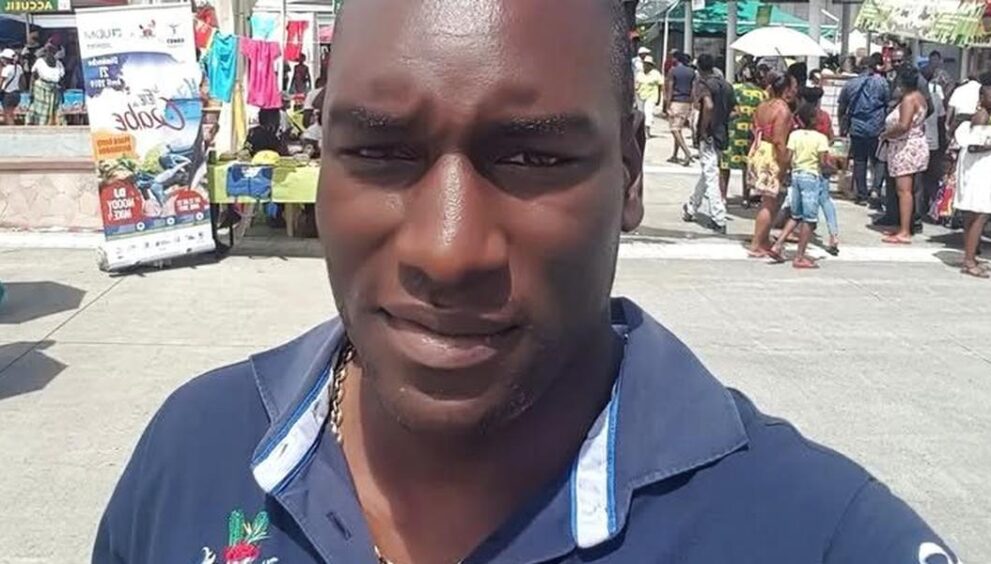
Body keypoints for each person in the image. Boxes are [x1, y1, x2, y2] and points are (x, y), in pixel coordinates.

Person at [92, 1, 957, 562]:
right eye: (381, 151)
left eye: (534, 158)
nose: (447, 251)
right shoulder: (196, 454)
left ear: (627, 174)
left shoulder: (814, 535)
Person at [769, 103, 833, 269]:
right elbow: (823, 162)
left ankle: (778, 244)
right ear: (813, 119)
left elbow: (788, 157)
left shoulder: (795, 135)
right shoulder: (821, 138)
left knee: (796, 215)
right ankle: (800, 256)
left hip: (796, 175)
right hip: (811, 177)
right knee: (809, 219)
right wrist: (832, 167)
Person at [682, 54, 736, 234]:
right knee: (708, 172)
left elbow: (709, 106)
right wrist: (722, 120)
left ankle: (718, 218)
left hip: (709, 136)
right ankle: (692, 206)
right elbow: (735, 111)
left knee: (711, 176)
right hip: (722, 134)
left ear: (699, 68)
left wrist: (704, 130)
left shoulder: (704, 85)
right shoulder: (726, 85)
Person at [748, 73, 797, 258]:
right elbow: (779, 140)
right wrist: (785, 161)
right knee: (769, 203)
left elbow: (754, 128)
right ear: (786, 90)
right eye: (793, 87)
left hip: (759, 150)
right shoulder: (782, 110)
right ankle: (756, 244)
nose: (795, 91)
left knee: (767, 200)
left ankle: (763, 240)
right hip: (771, 156)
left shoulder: (763, 105)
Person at [880, 65, 929, 245]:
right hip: (915, 143)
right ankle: (903, 225)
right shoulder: (920, 97)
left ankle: (905, 231)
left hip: (905, 147)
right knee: (907, 190)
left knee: (904, 191)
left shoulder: (908, 99)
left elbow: (903, 125)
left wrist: (885, 134)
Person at [838, 53, 889, 206]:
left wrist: (842, 125)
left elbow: (842, 107)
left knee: (859, 160)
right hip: (877, 126)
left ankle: (861, 194)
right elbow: (888, 103)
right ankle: (875, 189)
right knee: (877, 160)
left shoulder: (850, 84)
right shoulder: (882, 83)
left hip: (857, 127)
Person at [954, 73, 991, 278]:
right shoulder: (982, 116)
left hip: (979, 168)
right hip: (978, 170)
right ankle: (969, 261)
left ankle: (970, 257)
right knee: (980, 214)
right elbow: (975, 146)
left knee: (973, 214)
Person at [801, 86, 841, 255]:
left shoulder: (801, 116)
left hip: (806, 163)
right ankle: (833, 234)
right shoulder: (824, 116)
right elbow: (831, 137)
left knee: (801, 198)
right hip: (823, 161)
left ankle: (802, 228)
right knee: (825, 199)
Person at [719, 62, 766, 207]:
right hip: (751, 134)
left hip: (732, 131)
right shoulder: (762, 94)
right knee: (747, 165)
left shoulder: (734, 88)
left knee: (725, 165)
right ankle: (745, 198)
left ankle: (722, 197)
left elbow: (725, 107)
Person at [921, 64, 947, 219]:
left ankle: (923, 207)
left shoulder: (916, 97)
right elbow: (941, 120)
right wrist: (943, 142)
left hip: (919, 141)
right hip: (933, 141)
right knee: (932, 177)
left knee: (921, 177)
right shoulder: (936, 97)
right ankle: (933, 207)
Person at [665, 52, 695, 166]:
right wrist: (691, 102)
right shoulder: (692, 72)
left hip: (676, 101)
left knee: (674, 129)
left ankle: (687, 152)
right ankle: (675, 154)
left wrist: (667, 105)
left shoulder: (673, 71)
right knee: (679, 129)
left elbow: (670, 88)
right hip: (686, 102)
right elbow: (693, 88)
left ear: (677, 59)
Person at [26, 45, 64, 126]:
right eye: (49, 52)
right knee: (41, 109)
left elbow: (61, 79)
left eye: (53, 52)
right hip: (41, 88)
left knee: (54, 109)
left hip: (54, 89)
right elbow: (33, 76)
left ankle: (53, 125)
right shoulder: (39, 62)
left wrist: (61, 92)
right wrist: (31, 91)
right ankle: (40, 125)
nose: (51, 54)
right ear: (45, 53)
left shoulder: (59, 64)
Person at [634, 55, 662, 137]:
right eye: (644, 64)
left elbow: (660, 86)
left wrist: (659, 98)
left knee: (648, 112)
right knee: (640, 113)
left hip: (651, 96)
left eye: (647, 64)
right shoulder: (640, 74)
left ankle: (647, 131)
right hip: (640, 95)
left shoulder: (656, 74)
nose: (645, 65)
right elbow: (636, 85)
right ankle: (640, 131)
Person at [0, 48, 24, 126]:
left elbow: (1, 82)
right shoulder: (19, 67)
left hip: (8, 94)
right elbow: (22, 81)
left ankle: (12, 130)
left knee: (7, 115)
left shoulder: (6, 69)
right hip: (16, 93)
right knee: (11, 113)